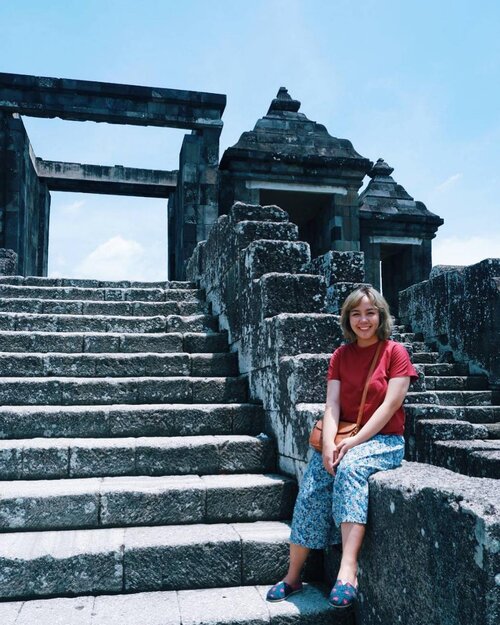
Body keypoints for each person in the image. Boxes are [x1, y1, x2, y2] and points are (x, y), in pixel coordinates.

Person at [266, 285, 418, 609]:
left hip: (383, 440)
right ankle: (293, 576)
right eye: (356, 314)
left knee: (349, 470)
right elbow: (332, 406)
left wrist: (353, 442)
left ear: (381, 316)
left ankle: (348, 571)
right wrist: (329, 446)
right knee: (314, 483)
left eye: (370, 313)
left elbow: (390, 407)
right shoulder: (340, 355)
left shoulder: (395, 353)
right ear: (348, 319)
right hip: (344, 437)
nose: (363, 320)